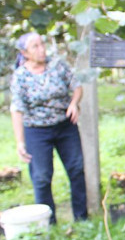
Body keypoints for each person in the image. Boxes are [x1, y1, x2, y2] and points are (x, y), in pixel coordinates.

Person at [10, 32, 88, 224]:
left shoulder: (57, 65)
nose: (41, 50)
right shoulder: (20, 76)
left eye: (42, 44)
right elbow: (17, 109)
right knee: (41, 176)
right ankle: (48, 222)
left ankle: (82, 217)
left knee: (76, 169)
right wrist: (20, 142)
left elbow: (76, 86)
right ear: (25, 53)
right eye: (35, 47)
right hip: (36, 130)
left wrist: (74, 103)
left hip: (65, 126)